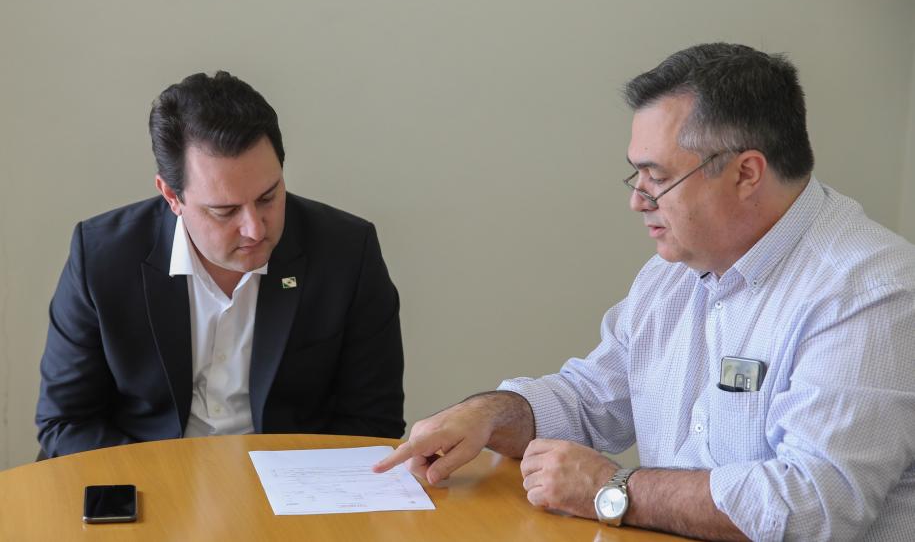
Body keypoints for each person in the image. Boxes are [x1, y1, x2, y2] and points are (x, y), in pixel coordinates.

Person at [375, 43, 915, 541]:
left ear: (746, 173)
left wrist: (614, 489)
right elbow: (591, 400)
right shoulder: (672, 273)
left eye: (657, 177)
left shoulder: (869, 292)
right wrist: (490, 414)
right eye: (635, 175)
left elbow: (815, 506)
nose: (638, 200)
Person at [36, 71, 405, 457]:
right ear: (171, 196)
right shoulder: (103, 256)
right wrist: (169, 481)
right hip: (147, 471)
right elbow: (65, 421)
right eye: (224, 211)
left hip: (291, 477)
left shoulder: (347, 252)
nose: (254, 229)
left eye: (268, 197)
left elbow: (373, 422)